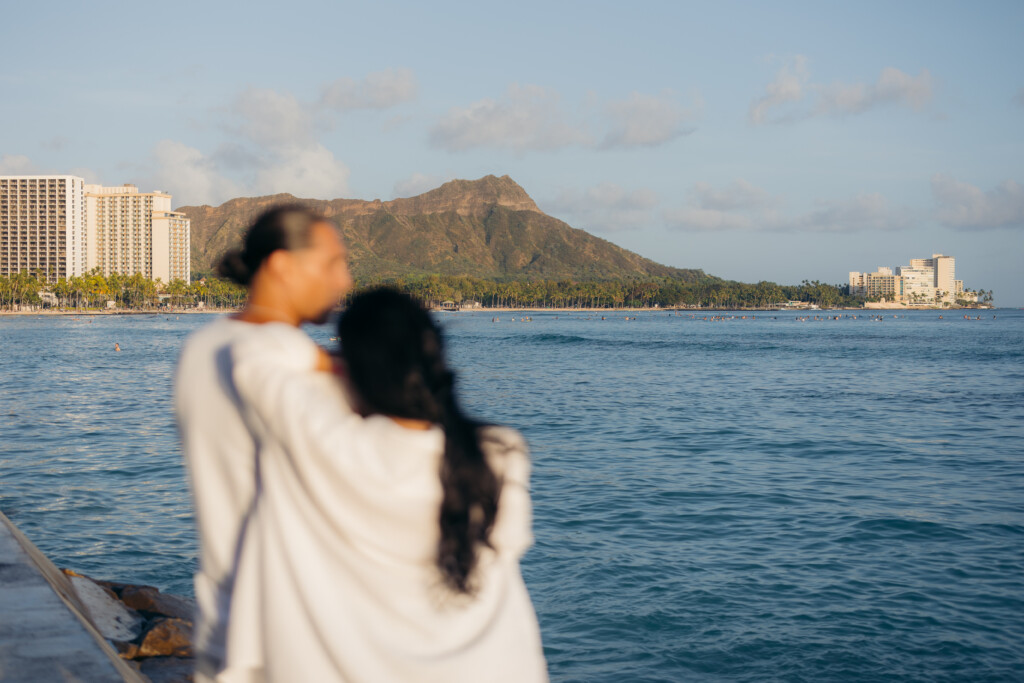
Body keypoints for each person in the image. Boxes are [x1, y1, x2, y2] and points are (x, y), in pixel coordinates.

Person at [230, 289, 547, 682]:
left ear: (355, 371)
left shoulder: (331, 446)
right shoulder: (500, 451)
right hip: (499, 667)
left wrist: (335, 367)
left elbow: (251, 359)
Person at [174, 205, 352, 682]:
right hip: (289, 637)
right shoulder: (288, 359)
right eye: (333, 264)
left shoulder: (201, 347)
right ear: (281, 265)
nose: (344, 282)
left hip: (222, 623)